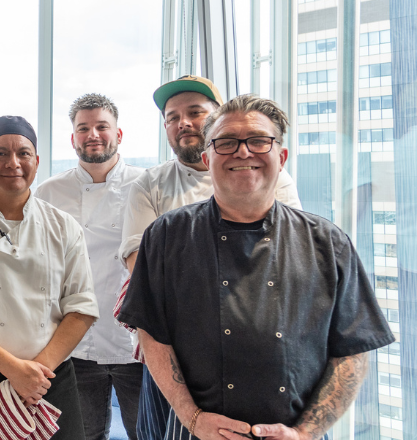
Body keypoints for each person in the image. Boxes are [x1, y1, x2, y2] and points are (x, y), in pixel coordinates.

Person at [118, 94, 394, 440]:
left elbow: (351, 351)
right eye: (227, 142)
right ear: (207, 157)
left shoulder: (328, 242)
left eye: (259, 141)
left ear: (281, 156)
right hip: (195, 431)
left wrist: (307, 432)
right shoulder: (167, 234)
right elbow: (153, 335)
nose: (243, 152)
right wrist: (192, 417)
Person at [115, 75, 303, 440]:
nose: (183, 122)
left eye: (194, 112)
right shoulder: (150, 185)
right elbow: (142, 270)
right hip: (175, 355)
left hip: (261, 350)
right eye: (172, 117)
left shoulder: (273, 176)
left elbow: (285, 257)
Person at [0, 115, 99, 439]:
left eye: (23, 153)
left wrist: (35, 373)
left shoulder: (62, 226)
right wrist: (12, 369)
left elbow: (80, 306)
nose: (13, 163)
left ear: (36, 161)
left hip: (49, 379)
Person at [36, 94, 144, 440]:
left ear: (119, 134)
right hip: (76, 343)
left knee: (147, 433)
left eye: (102, 126)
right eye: (83, 128)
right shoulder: (50, 192)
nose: (92, 134)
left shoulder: (147, 186)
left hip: (137, 344)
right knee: (82, 435)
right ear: (73, 139)